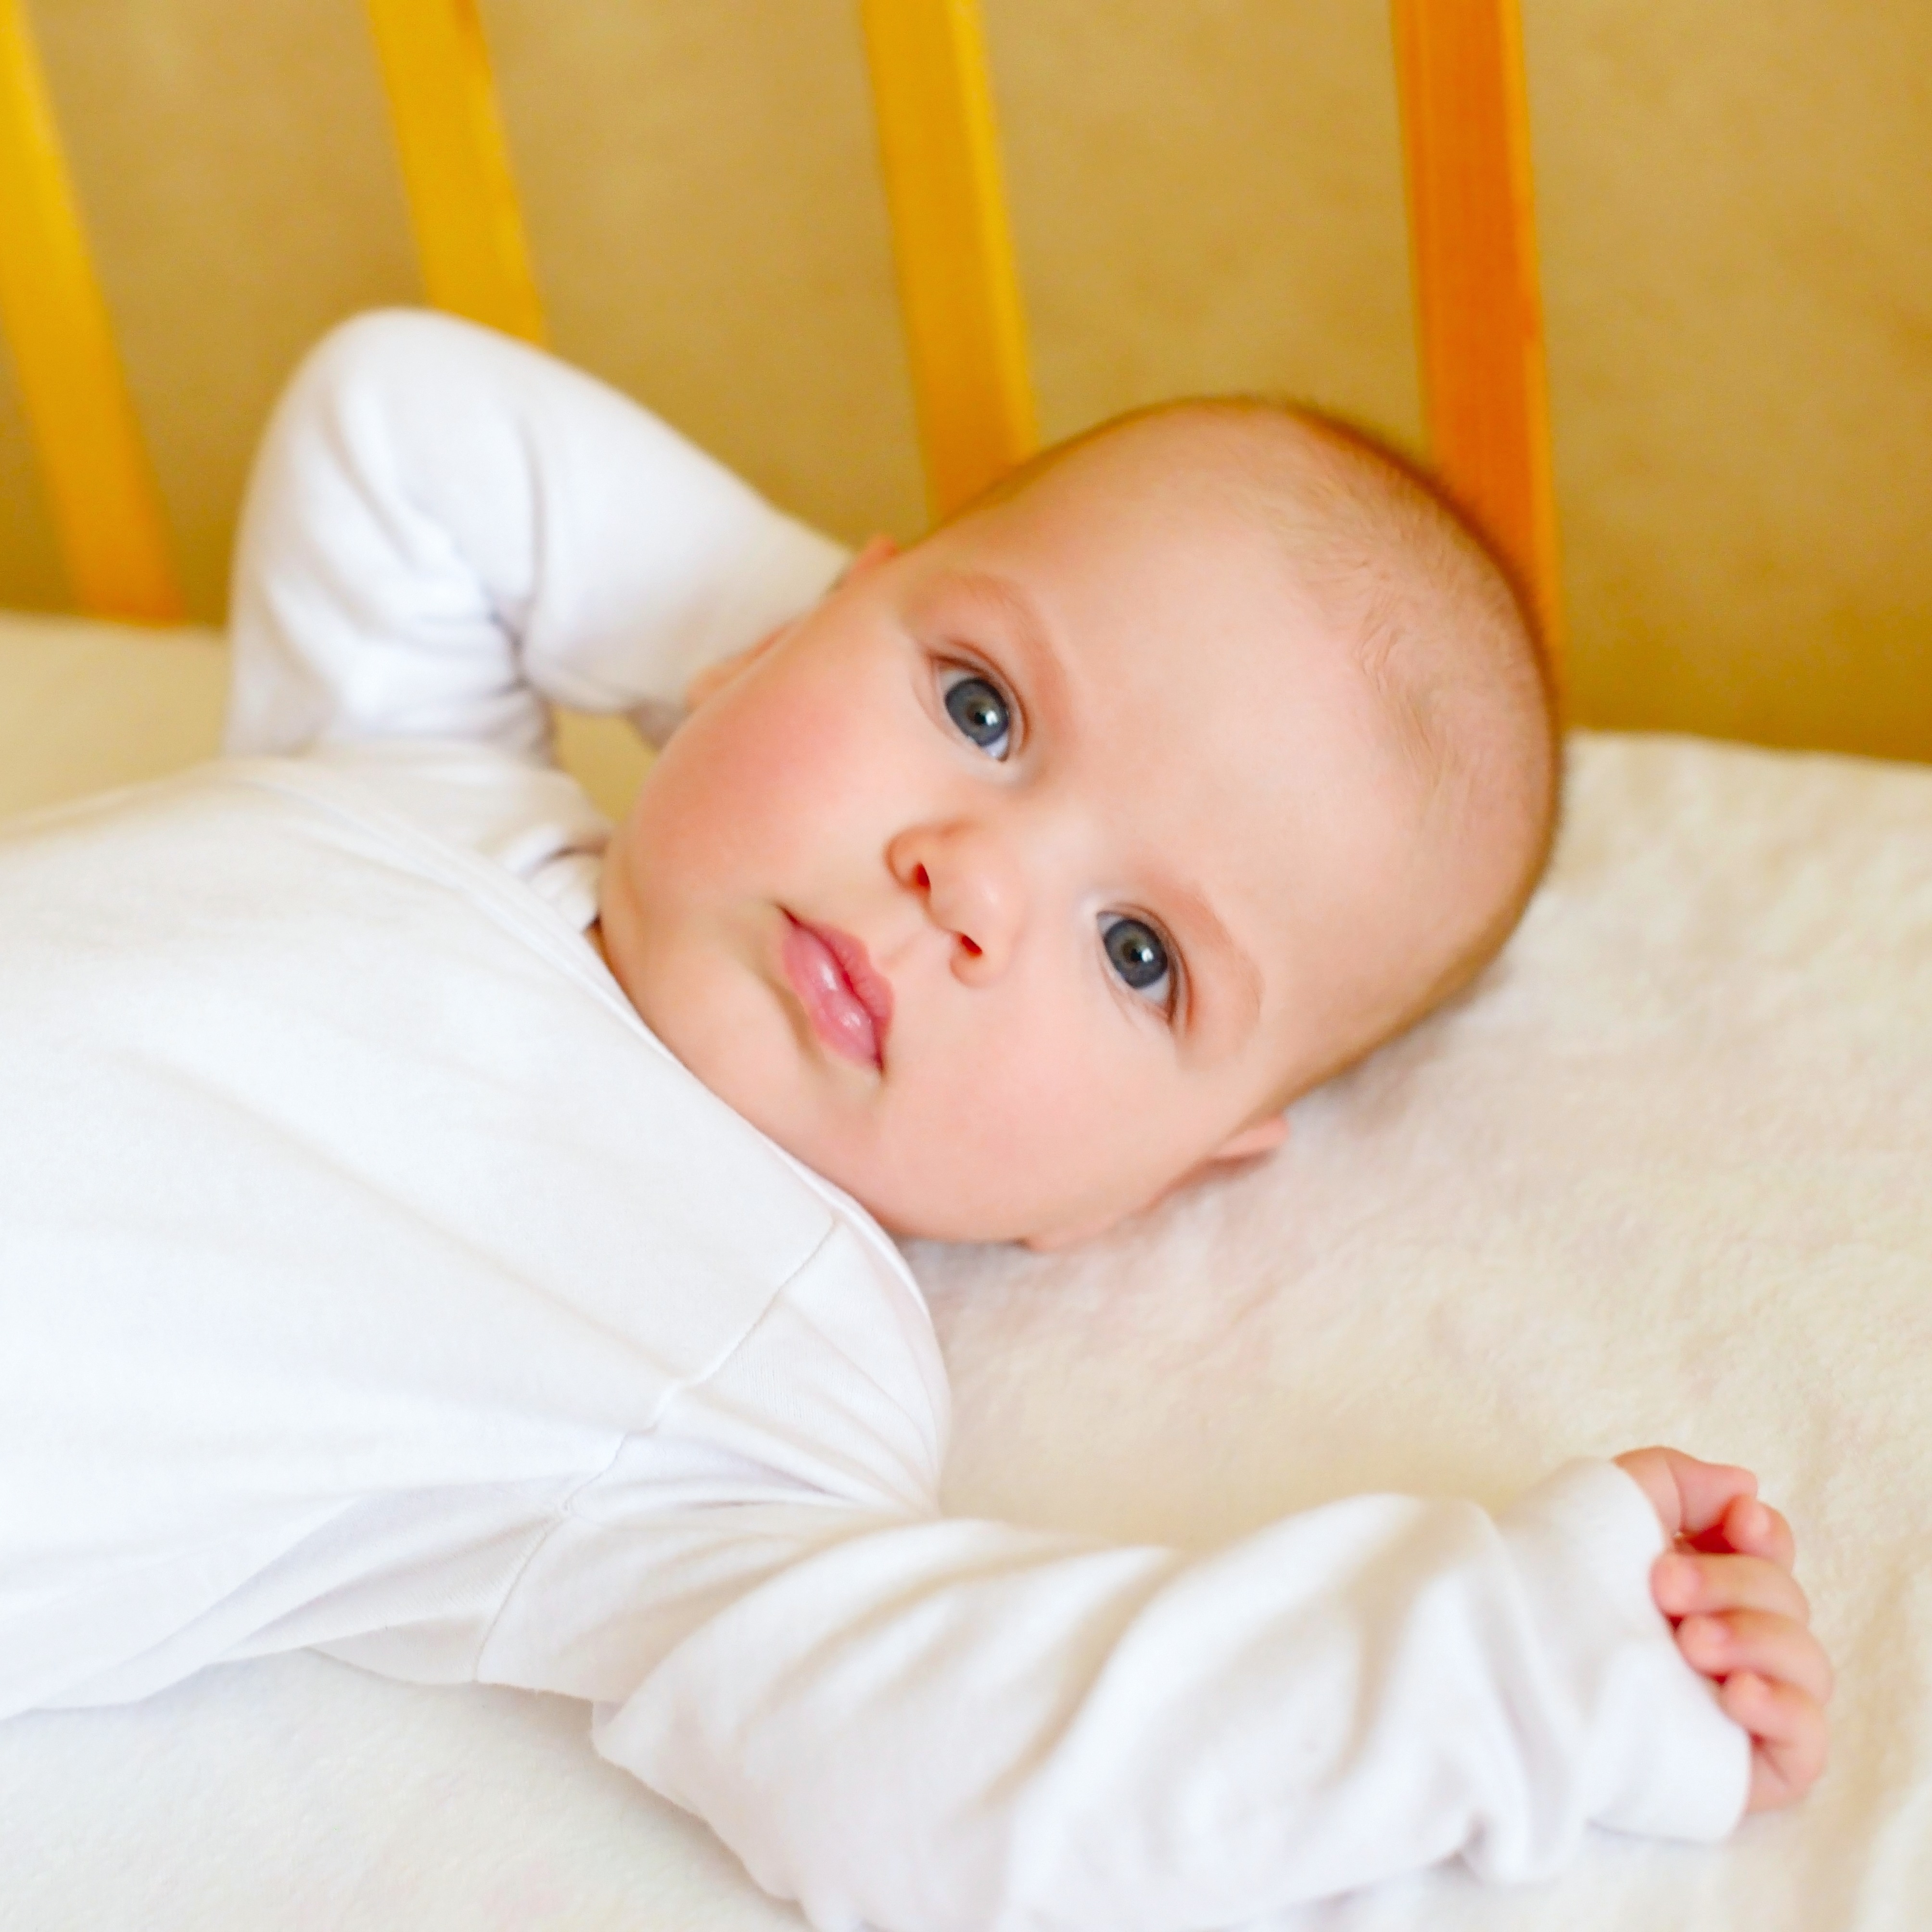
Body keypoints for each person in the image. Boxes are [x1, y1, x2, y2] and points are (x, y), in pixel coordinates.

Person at [0, 311, 1828, 1932]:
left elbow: (954, 1770)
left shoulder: (746, 1372)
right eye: (980, 704)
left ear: (1162, 1179)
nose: (968, 887)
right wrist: (775, 662)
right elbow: (404, 429)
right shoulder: (409, 772)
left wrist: (1522, 1663)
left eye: (1137, 956)